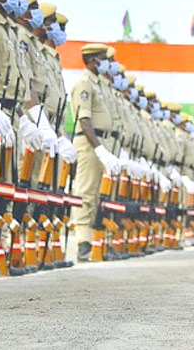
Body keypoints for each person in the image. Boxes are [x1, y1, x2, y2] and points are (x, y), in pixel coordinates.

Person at [70, 44, 121, 261]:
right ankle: (83, 240)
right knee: (85, 193)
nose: (108, 63)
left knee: (98, 195)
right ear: (92, 61)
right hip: (89, 143)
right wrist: (99, 148)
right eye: (103, 58)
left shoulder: (99, 85)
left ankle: (93, 241)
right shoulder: (84, 84)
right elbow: (84, 119)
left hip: (102, 143)